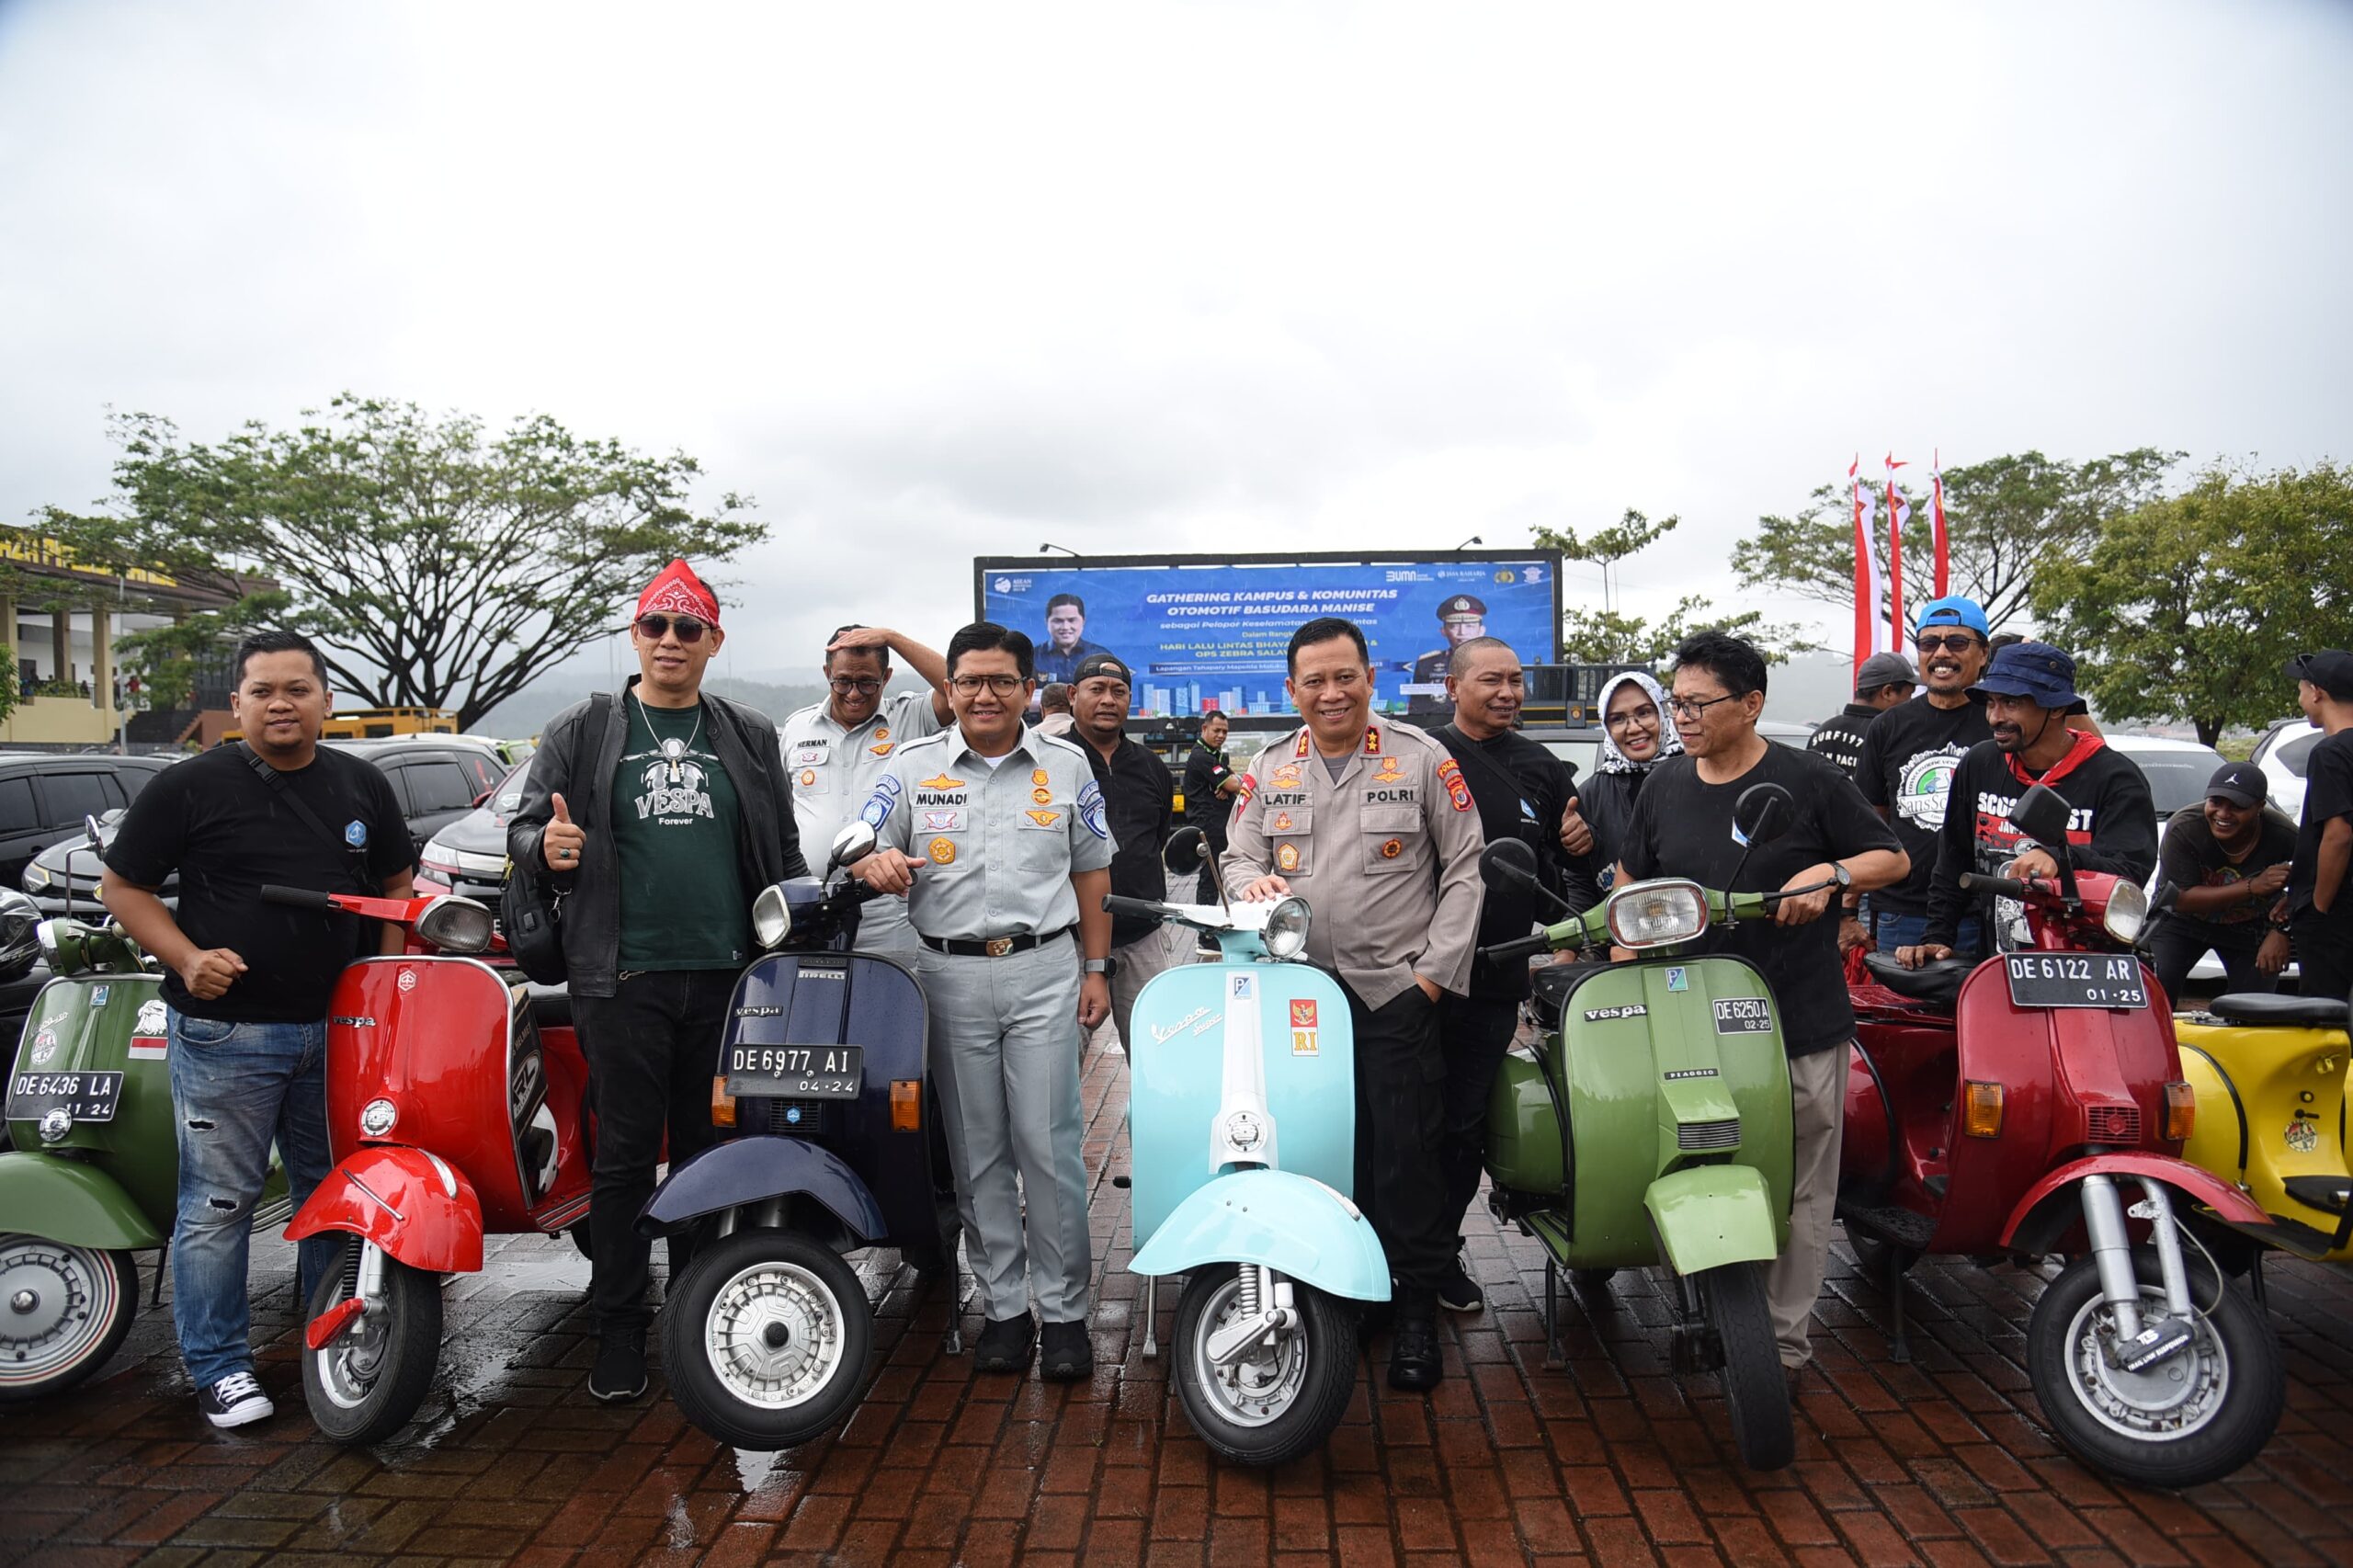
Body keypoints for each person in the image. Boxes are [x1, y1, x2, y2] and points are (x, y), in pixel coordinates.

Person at [507, 560, 807, 1403]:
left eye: (687, 628)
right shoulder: (586, 726)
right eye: (654, 627)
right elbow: (529, 829)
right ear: (635, 636)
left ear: (714, 641)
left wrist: (798, 925)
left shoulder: (747, 732)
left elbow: (780, 850)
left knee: (708, 1158)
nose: (669, 641)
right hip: (620, 976)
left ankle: (696, 1316)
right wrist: (546, 848)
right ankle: (618, 1329)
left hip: (727, 978)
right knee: (626, 1160)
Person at [100, 629, 414, 1427]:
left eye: (298, 690)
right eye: (264, 691)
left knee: (330, 1197)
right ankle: (218, 1367)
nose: (282, 704)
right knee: (218, 1204)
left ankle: (324, 1344)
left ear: (325, 702)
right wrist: (185, 955)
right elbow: (123, 887)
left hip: (335, 1032)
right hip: (223, 1033)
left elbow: (395, 886)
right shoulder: (190, 787)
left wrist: (377, 990)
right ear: (235, 704)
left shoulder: (360, 787)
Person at [1612, 631, 1905, 1381]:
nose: (1681, 717)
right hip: (1686, 1023)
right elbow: (1630, 879)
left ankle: (1780, 1343)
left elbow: (1893, 857)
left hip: (1800, 1018)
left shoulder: (1807, 778)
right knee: (1695, 1161)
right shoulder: (1664, 784)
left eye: (1697, 703)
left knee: (1804, 1183)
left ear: (1751, 704)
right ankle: (1709, 1296)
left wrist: (1830, 872)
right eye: (1676, 702)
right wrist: (1621, 933)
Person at [1223, 616, 1484, 1391]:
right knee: (1322, 1156)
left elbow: (1466, 871)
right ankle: (1349, 1294)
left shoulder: (1422, 758)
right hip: (1300, 1000)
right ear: (1292, 689)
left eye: (1346, 677)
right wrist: (1250, 884)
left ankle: (1411, 1312)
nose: (1331, 693)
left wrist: (1432, 977)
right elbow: (1238, 855)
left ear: (1371, 677)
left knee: (1406, 1156)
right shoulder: (1270, 768)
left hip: (1393, 995)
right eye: (1315, 681)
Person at [849, 622, 1113, 1381]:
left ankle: (1064, 1315)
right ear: (950, 690)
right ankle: (1002, 1309)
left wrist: (1096, 969)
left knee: (1050, 1145)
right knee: (978, 1150)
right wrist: (872, 855)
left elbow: (1092, 876)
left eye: (1002, 681)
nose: (985, 694)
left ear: (1030, 689)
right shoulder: (911, 767)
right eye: (970, 682)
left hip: (1044, 972)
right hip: (949, 977)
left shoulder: (1066, 767)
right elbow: (861, 835)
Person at [1430, 637, 1595, 1312]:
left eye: (1517, 682)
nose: (1507, 693)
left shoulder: (1543, 768)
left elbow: (1570, 862)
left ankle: (1439, 1254)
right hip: (1411, 972)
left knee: (1465, 1120)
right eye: (1491, 680)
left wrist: (1567, 934)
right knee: (1400, 1118)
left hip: (1495, 974)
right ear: (1453, 686)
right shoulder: (1420, 753)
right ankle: (1385, 1249)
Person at [1901, 642, 2156, 969]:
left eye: (2011, 704)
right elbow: (1953, 860)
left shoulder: (2116, 778)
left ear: (2058, 709)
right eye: (1991, 703)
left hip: (2093, 972)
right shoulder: (1979, 763)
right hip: (2000, 970)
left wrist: (2058, 857)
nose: (1995, 717)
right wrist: (1937, 936)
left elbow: (2131, 873)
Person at [779, 625, 952, 951]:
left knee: (887, 999)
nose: (854, 694)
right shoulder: (796, 727)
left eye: (867, 683)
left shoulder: (910, 716)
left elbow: (958, 688)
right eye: (842, 681)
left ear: (886, 677)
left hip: (890, 910)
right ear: (826, 673)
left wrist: (893, 638)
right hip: (813, 909)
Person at [1851, 597, 1995, 959]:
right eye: (1929, 643)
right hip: (1902, 913)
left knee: (1984, 1016)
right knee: (1906, 1016)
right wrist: (1847, 911)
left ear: (1984, 653)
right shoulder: (1888, 726)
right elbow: (1867, 826)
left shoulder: (2001, 723)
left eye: (1957, 643)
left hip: (1985, 912)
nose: (1941, 653)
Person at [1068, 652, 1184, 1051]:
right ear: (1072, 695)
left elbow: (1156, 839)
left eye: (1119, 692)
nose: (1108, 700)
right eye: (1096, 689)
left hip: (1143, 939)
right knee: (1060, 1070)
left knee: (1162, 1059)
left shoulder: (1152, 767)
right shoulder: (1051, 762)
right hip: (1069, 944)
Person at [2150, 761, 2295, 1000]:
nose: (2223, 814)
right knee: (2155, 991)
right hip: (2182, 922)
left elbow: (2313, 881)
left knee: (2255, 1007)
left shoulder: (2283, 834)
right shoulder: (2184, 827)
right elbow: (2181, 899)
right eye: (2216, 802)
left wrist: (2281, 931)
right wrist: (2252, 886)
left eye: (2237, 806)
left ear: (2260, 806)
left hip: (2252, 926)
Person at [1565, 670, 1682, 890]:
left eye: (1645, 712)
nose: (1634, 727)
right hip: (1621, 921)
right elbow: (1579, 882)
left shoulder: (1698, 773)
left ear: (1662, 712)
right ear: (1606, 728)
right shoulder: (1592, 794)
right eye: (1618, 719)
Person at [2284, 649, 2353, 1001]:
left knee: (2327, 1013)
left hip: (2336, 912)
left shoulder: (2331, 753)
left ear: (2317, 692)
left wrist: (2319, 904)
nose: (2300, 699)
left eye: (2300, 690)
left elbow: (2339, 835)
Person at [1808, 652, 1916, 778]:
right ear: (1887, 693)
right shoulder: (1889, 736)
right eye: (1909, 694)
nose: (1911, 702)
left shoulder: (1821, 732)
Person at [1181, 710, 1244, 902]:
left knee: (1217, 875)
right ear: (1205, 728)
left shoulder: (1215, 755)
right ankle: (1206, 930)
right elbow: (1235, 785)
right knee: (1210, 878)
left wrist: (1230, 783)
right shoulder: (1202, 757)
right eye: (1217, 730)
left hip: (1217, 825)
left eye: (1225, 732)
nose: (1221, 736)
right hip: (1208, 826)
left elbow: (1233, 781)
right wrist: (1230, 784)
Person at [1406, 594, 1487, 715]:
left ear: (1481, 630)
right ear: (1443, 631)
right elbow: (1417, 711)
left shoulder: (1499, 662)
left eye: (1469, 626)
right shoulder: (1427, 664)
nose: (1462, 632)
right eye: (1454, 626)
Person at [1034, 594, 1114, 687]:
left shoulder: (1101, 656)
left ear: (1083, 621)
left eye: (1072, 620)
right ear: (1046, 622)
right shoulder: (1032, 658)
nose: (1065, 627)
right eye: (1058, 621)